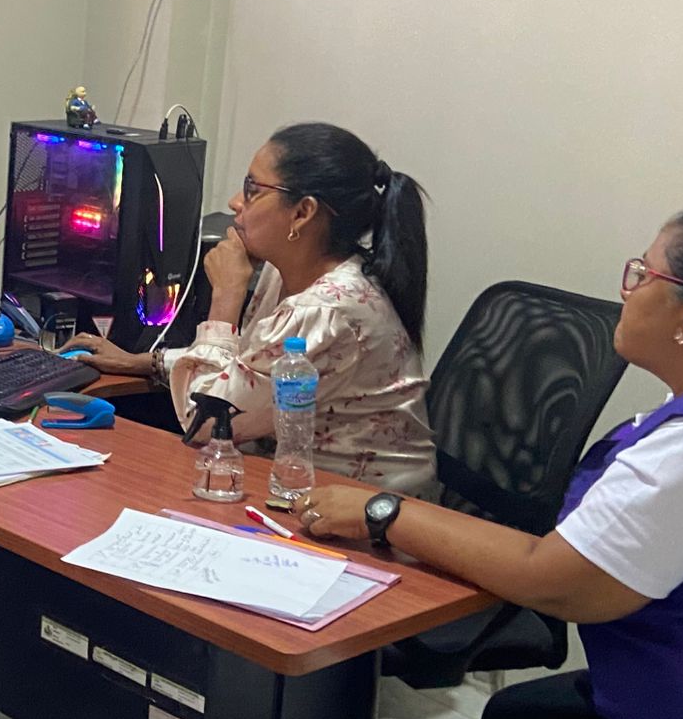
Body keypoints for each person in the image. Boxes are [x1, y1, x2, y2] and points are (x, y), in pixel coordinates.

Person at [294, 205, 683, 719]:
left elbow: (557, 581)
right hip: (660, 679)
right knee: (519, 716)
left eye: (643, 275)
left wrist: (382, 511)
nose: (627, 291)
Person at [64, 122, 437, 496]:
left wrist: (226, 296)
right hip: (293, 483)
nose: (234, 203)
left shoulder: (327, 311)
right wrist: (147, 362)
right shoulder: (288, 272)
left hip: (361, 508)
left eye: (253, 190)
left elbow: (207, 421)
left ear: (303, 212)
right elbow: (249, 369)